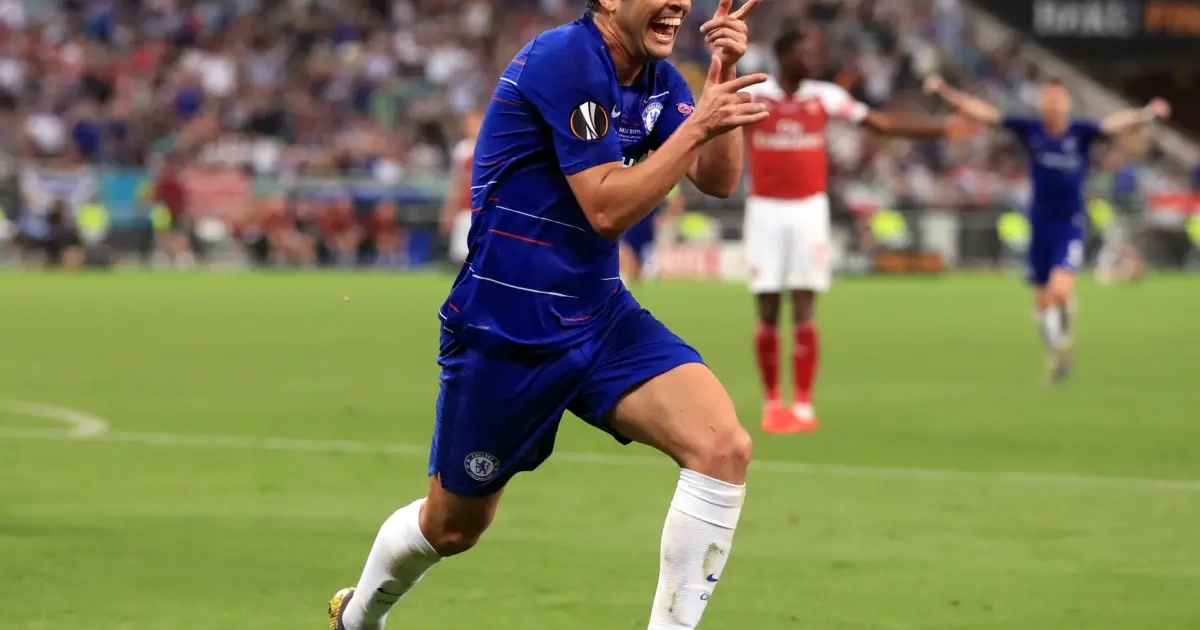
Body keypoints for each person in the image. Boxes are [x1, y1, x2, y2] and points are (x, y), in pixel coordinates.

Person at [328, 0, 769, 628]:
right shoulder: (564, 60)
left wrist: (721, 77)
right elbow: (606, 208)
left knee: (722, 448)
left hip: (601, 316)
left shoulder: (660, 82)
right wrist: (698, 125)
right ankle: (357, 619)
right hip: (507, 329)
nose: (678, 2)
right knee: (452, 528)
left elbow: (718, 181)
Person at [741, 28, 977, 434]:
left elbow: (880, 124)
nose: (812, 59)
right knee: (767, 307)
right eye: (803, 52)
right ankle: (772, 402)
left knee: (804, 304)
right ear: (782, 55)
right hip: (764, 209)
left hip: (809, 209)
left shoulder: (825, 96)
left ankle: (803, 404)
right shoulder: (754, 96)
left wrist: (942, 129)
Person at [925, 74, 1170, 382]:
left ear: (1066, 104)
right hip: (1040, 223)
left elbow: (1117, 123)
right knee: (1042, 300)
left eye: (1058, 99)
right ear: (1041, 103)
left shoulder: (1081, 133)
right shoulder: (1030, 130)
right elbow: (986, 113)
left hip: (1070, 222)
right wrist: (946, 92)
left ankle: (1064, 342)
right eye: (1048, 99)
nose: (1052, 105)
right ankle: (1056, 355)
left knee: (1060, 290)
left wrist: (1148, 113)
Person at [440, 111, 483, 267]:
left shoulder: (491, 146)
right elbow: (456, 183)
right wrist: (448, 212)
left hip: (484, 209)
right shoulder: (462, 149)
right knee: (462, 257)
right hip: (466, 209)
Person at [619, 183, 685, 282]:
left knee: (637, 270)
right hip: (630, 226)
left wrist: (668, 219)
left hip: (644, 226)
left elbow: (676, 201)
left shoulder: (663, 177)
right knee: (626, 256)